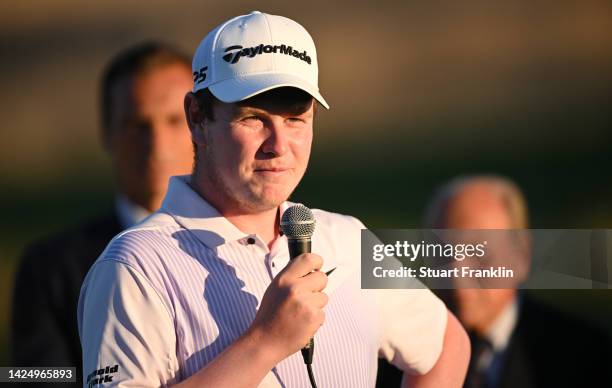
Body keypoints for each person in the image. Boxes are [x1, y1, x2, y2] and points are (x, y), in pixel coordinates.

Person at [78, 11, 470, 388]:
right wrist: (264, 343)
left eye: (295, 119)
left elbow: (447, 346)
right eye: (253, 118)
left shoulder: (346, 238)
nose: (279, 145)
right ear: (197, 117)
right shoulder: (134, 266)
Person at [11, 41, 194, 387]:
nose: (157, 145)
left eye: (174, 121)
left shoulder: (248, 243)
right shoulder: (49, 266)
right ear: (106, 133)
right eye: (137, 125)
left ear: (202, 125)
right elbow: (23, 375)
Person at [424, 175, 611, 388]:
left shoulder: (583, 356)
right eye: (441, 254)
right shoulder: (397, 354)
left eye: (480, 255)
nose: (457, 276)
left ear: (521, 255)